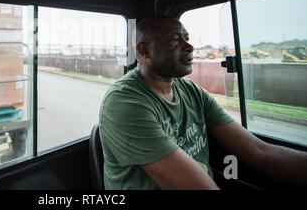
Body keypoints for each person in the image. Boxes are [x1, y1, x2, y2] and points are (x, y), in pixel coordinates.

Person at [99, 16, 307, 190]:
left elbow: (261, 152)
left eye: (187, 38)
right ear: (145, 51)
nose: (189, 46)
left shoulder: (191, 91)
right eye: (175, 40)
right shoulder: (125, 103)